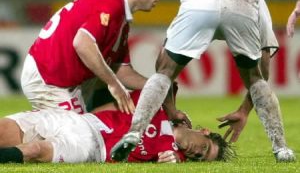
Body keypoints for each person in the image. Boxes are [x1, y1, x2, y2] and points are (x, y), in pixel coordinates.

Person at [111, 0, 296, 162]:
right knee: (255, 78)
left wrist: (172, 111)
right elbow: (264, 70)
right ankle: (281, 148)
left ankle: (134, 133)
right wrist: (244, 110)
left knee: (164, 71)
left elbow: (161, 60)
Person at [20, 0, 164, 114]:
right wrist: (114, 84)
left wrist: (158, 85)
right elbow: (83, 43)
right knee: (77, 136)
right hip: (48, 76)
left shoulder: (118, 13)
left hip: (59, 76)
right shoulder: (111, 4)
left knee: (75, 131)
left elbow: (122, 72)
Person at [0, 89, 233, 164]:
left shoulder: (170, 155)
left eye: (201, 159)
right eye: (204, 149)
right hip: (78, 121)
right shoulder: (154, 107)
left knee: (35, 150)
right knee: (4, 130)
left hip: (89, 147)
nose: (197, 154)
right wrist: (172, 111)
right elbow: (166, 81)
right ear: (204, 132)